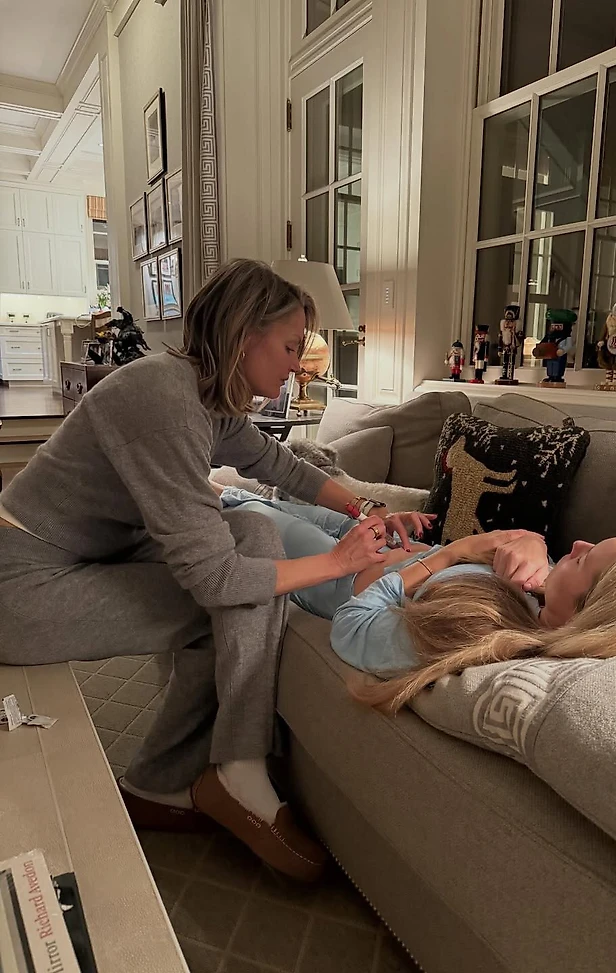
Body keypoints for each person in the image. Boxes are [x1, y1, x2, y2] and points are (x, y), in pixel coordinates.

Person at [0, 258, 431, 883]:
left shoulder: (203, 396)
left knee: (254, 530)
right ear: (243, 334)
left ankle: (174, 779)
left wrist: (368, 510)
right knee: (229, 591)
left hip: (91, 553)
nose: (296, 365)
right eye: (290, 347)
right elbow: (216, 582)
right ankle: (236, 768)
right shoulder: (163, 401)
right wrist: (337, 562)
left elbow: (279, 466)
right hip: (23, 585)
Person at [216, 487, 616, 715]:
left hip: (339, 575)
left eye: (586, 560)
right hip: (383, 543)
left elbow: (352, 628)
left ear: (583, 616)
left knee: (240, 514)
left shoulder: (482, 629)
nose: (577, 544)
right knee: (260, 497)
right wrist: (531, 543)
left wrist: (448, 555)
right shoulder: (544, 597)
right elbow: (528, 550)